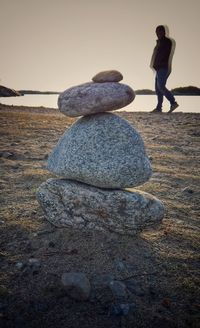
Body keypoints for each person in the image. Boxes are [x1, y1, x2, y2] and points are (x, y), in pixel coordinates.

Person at [150, 25, 179, 113]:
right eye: (156, 32)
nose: (157, 33)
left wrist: (159, 63)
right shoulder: (159, 42)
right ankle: (159, 108)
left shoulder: (166, 42)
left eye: (159, 31)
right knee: (157, 88)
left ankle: (173, 103)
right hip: (158, 68)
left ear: (163, 32)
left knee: (161, 86)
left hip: (163, 67)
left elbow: (165, 54)